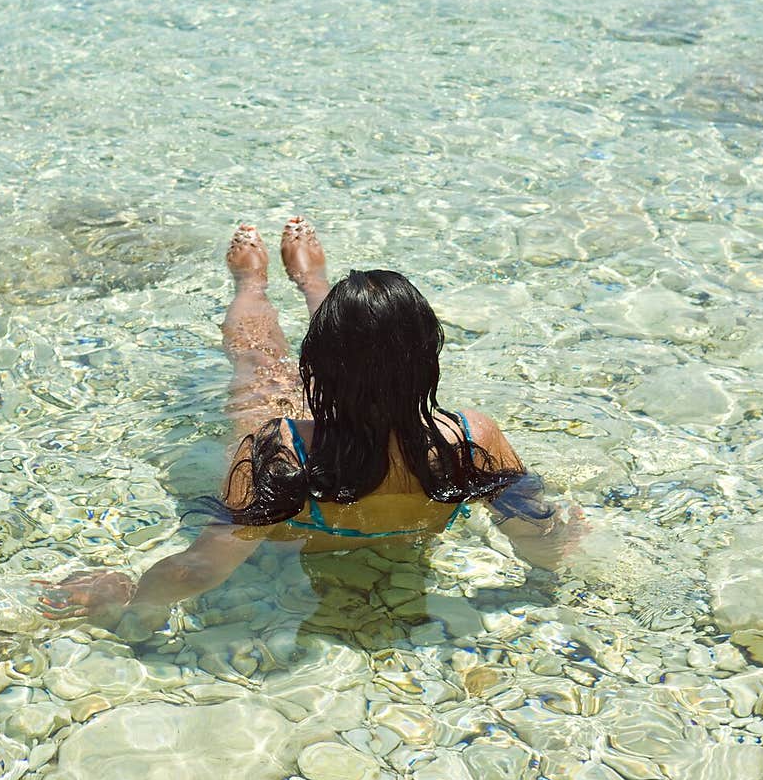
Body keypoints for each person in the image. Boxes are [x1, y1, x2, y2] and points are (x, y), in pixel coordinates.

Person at [39, 218, 585, 640]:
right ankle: (309, 281)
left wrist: (132, 602)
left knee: (258, 365)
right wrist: (562, 535)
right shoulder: (472, 438)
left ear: (314, 365)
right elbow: (538, 542)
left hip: (309, 448)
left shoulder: (280, 446)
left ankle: (252, 284)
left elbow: (197, 570)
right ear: (430, 360)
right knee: (332, 356)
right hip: (392, 484)